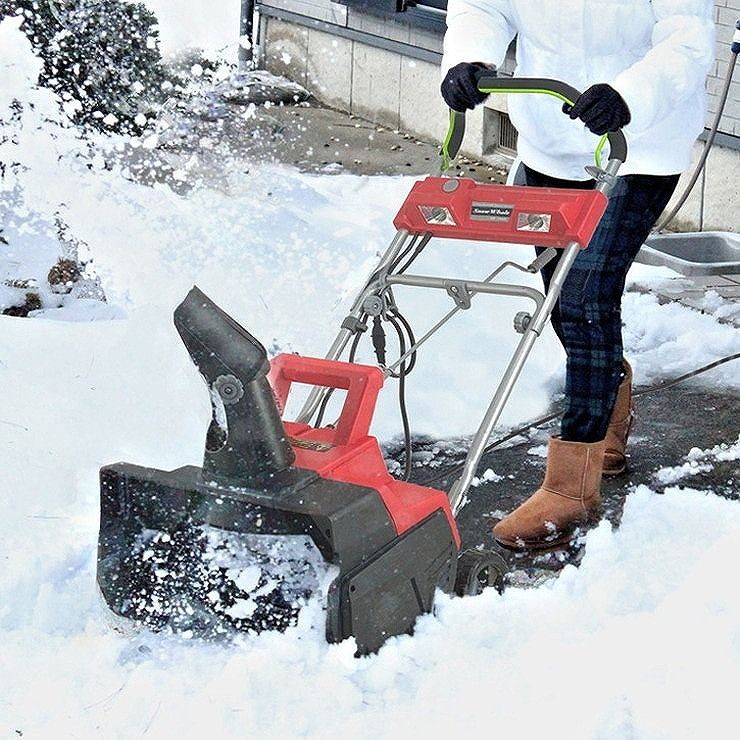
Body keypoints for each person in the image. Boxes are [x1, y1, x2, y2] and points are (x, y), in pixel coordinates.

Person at [440, 0, 715, 549]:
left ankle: (571, 488)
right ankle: (608, 389)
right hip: (549, 139)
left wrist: (628, 95)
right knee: (560, 294)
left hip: (637, 144)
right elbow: (482, 7)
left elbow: (686, 39)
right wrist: (470, 59)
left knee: (584, 297)